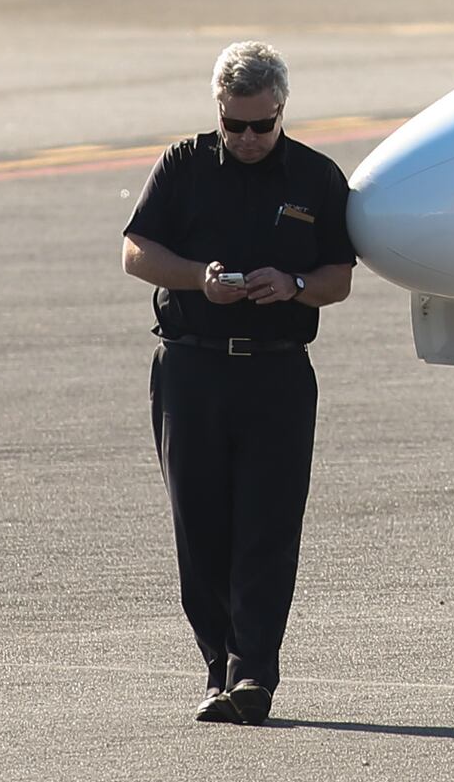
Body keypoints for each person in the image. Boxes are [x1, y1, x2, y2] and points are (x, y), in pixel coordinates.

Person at [119, 41, 354, 725]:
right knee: (201, 527)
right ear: (218, 113)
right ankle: (218, 666)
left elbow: (340, 275)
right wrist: (198, 278)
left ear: (283, 111)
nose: (248, 139)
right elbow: (135, 251)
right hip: (192, 365)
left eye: (262, 125)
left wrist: (295, 285)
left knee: (268, 526)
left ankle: (254, 674)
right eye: (234, 125)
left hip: (278, 371)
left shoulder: (315, 177)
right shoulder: (184, 165)